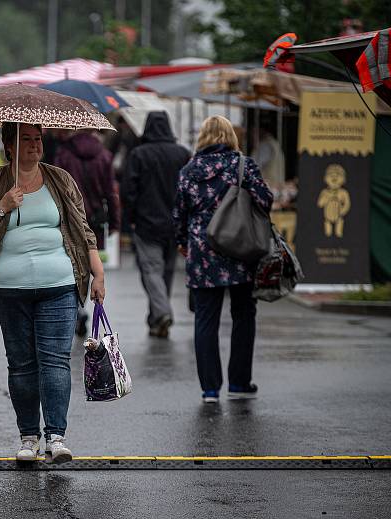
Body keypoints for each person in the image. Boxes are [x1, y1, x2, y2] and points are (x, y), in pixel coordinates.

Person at [0, 122, 105, 464]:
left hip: (60, 284)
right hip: (10, 289)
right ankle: (28, 437)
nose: (35, 145)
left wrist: (97, 272)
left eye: (38, 139)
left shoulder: (59, 179)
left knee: (55, 361)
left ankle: (56, 437)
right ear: (9, 145)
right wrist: (2, 206)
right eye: (26, 139)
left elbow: (82, 229)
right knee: (21, 366)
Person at [173, 115, 273, 403]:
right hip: (242, 249)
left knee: (205, 320)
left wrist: (183, 242)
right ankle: (240, 383)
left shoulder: (190, 170)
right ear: (230, 136)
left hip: (203, 253)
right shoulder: (243, 165)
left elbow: (179, 212)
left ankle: (210, 389)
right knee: (244, 315)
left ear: (202, 137)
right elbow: (265, 200)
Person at [122, 111, 191, 338]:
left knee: (151, 270)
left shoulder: (139, 154)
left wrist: (129, 218)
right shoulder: (182, 154)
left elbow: (129, 190)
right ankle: (156, 319)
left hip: (146, 223)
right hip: (176, 223)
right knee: (167, 272)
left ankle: (161, 312)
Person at [54, 129, 120, 250]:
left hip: (71, 216)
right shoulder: (104, 155)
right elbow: (111, 192)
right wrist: (114, 223)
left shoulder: (63, 153)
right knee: (94, 261)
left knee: (73, 261)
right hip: (96, 218)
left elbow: (57, 187)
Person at [251, 127, 285, 195]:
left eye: (252, 132)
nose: (251, 135)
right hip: (275, 188)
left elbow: (253, 166)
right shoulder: (274, 143)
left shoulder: (264, 146)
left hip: (267, 189)